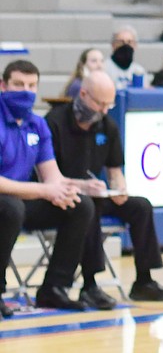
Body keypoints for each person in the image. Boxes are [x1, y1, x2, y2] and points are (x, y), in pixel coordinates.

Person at [45, 70, 163, 304]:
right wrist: (82, 186)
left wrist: (120, 190)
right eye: (100, 104)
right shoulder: (54, 122)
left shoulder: (107, 126)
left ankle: (144, 281)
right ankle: (90, 284)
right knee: (89, 205)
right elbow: (48, 176)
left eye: (109, 104)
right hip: (62, 197)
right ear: (84, 94)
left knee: (140, 206)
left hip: (94, 194)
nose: (104, 110)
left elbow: (115, 171)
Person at [0, 60, 96, 315]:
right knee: (11, 208)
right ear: (3, 86)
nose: (26, 91)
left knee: (80, 204)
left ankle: (55, 288)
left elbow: (52, 176)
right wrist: (45, 191)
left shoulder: (37, 124)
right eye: (18, 84)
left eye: (32, 86)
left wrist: (77, 186)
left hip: (22, 200)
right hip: (5, 201)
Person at [105, 26, 148, 91]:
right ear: (113, 45)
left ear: (135, 45)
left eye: (129, 42)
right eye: (121, 42)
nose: (125, 45)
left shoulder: (139, 71)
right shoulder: (104, 68)